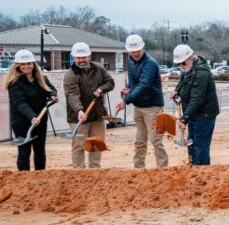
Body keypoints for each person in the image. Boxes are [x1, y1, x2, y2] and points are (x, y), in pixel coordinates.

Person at [116, 34, 169, 168]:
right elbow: (134, 81)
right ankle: (139, 168)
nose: (135, 54)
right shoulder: (130, 60)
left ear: (143, 47)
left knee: (156, 140)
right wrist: (128, 88)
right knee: (140, 140)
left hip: (153, 107)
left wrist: (125, 101)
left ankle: (163, 170)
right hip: (138, 106)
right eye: (132, 52)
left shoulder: (150, 63)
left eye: (138, 51)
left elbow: (144, 86)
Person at [63, 42, 115, 169]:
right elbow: (72, 95)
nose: (81, 60)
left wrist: (101, 89)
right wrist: (79, 110)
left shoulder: (98, 68)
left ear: (89, 56)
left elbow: (110, 82)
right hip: (78, 117)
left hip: (97, 114)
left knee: (97, 143)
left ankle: (95, 171)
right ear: (73, 58)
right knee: (79, 146)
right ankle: (79, 173)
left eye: (84, 57)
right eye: (78, 58)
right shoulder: (70, 75)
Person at [5, 50, 58, 171]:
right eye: (22, 64)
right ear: (17, 66)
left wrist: (52, 95)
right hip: (21, 122)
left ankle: (40, 177)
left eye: (29, 63)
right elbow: (20, 103)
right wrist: (32, 117)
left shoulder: (41, 78)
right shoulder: (14, 83)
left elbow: (50, 90)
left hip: (40, 119)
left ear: (34, 64)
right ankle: (24, 178)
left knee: (40, 150)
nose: (26, 66)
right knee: (24, 151)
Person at [172, 44, 219, 166]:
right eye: (179, 64)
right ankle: (193, 168)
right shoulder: (188, 69)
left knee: (200, 147)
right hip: (193, 114)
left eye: (183, 63)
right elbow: (183, 80)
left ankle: (202, 173)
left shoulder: (201, 73)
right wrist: (177, 90)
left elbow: (197, 99)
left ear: (190, 58)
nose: (181, 66)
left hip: (204, 115)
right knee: (191, 144)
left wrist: (184, 119)